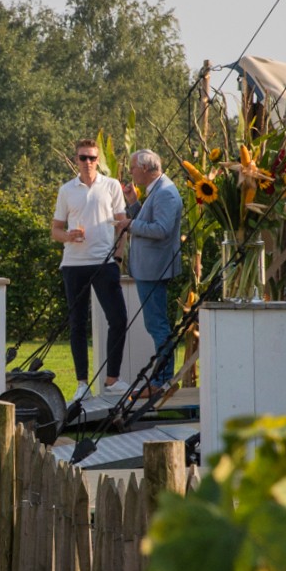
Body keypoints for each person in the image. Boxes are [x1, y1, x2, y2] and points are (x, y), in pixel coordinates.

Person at [53, 139, 130, 401]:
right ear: (75, 160)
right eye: (83, 158)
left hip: (105, 262)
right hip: (74, 265)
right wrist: (68, 236)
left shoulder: (111, 186)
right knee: (77, 324)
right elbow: (55, 230)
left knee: (118, 319)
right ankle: (81, 384)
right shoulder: (66, 190)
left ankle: (112, 379)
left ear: (98, 160)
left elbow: (122, 225)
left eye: (92, 158)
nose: (88, 162)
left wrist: (117, 259)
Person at [118, 149, 183, 396]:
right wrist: (134, 204)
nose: (131, 172)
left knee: (158, 326)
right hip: (149, 268)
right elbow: (151, 220)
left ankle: (162, 382)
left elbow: (162, 229)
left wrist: (130, 225)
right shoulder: (157, 189)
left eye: (133, 168)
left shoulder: (165, 192)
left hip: (155, 269)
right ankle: (161, 379)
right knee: (155, 324)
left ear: (145, 168)